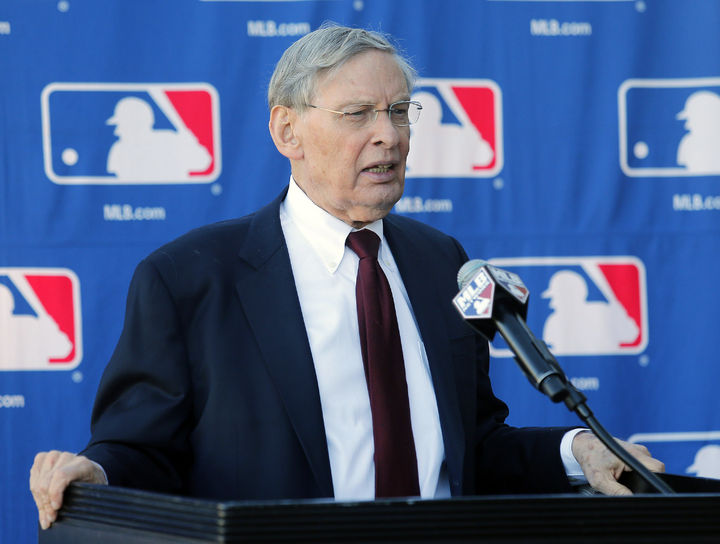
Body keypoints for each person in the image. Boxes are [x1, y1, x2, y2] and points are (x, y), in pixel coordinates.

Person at [30, 24, 664, 531]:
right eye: (358, 113)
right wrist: (96, 474)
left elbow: (471, 447)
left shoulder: (441, 261)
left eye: (400, 111)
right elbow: (142, 449)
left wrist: (577, 450)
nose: (389, 136)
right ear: (288, 130)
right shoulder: (189, 279)